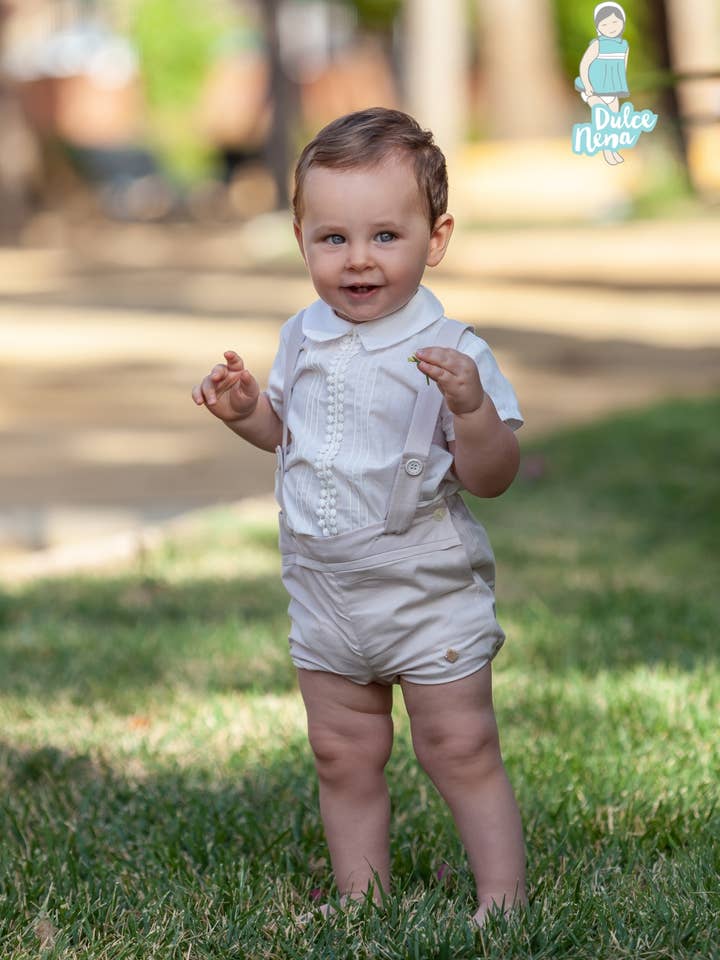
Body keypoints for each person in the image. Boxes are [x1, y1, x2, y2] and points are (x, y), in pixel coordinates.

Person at [192, 107, 527, 928]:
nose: (359, 260)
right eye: (333, 239)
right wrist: (245, 414)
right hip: (325, 590)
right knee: (341, 752)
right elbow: (289, 436)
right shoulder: (302, 335)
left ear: (435, 238)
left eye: (385, 236)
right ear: (302, 237)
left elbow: (492, 478)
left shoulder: (454, 350)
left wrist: (472, 409)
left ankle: (504, 900)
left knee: (458, 747)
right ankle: (359, 899)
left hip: (424, 587)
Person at [575, 2, 630, 165]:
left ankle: (611, 151)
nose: (611, 27)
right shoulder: (598, 45)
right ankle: (605, 152)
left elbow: (622, 66)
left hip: (612, 89)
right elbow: (584, 65)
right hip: (595, 88)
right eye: (605, 24)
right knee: (603, 120)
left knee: (612, 123)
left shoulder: (624, 45)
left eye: (614, 22)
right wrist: (588, 86)